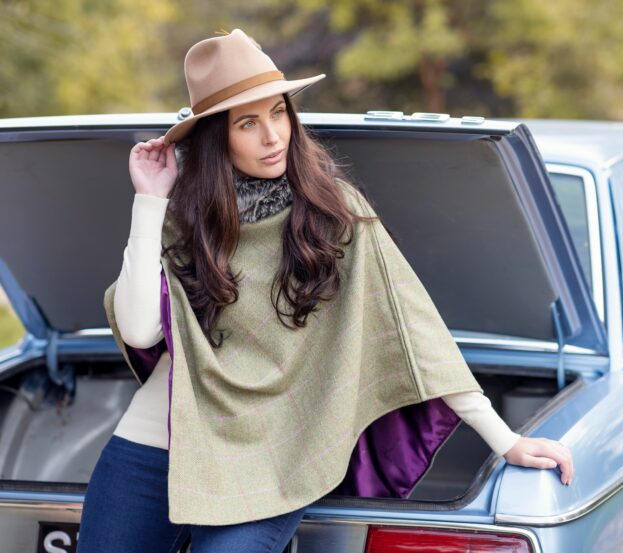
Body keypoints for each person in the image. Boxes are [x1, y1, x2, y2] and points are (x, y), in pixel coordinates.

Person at [77, 28, 573, 552]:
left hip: (270, 462)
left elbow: (414, 334)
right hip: (155, 444)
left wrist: (506, 440)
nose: (272, 136)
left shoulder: (333, 211)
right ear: (215, 138)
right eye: (248, 123)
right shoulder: (185, 215)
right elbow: (138, 327)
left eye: (278, 113)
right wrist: (149, 202)